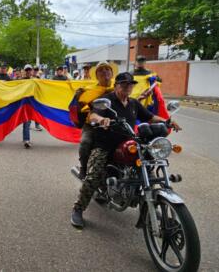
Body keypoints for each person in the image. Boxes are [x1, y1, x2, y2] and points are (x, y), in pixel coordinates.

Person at [70, 72, 182, 228]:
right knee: (93, 175)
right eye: (123, 84)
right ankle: (78, 209)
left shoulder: (133, 103)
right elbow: (94, 114)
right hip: (105, 144)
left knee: (147, 172)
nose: (127, 87)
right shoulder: (107, 100)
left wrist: (167, 121)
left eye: (130, 84)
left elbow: (150, 117)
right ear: (116, 86)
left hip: (128, 142)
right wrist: (102, 119)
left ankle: (149, 205)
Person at [72, 62, 114, 179]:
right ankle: (84, 168)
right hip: (92, 125)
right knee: (85, 142)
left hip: (115, 124)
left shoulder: (119, 88)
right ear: (96, 75)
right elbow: (79, 108)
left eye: (107, 69)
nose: (104, 72)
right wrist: (77, 98)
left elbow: (132, 98)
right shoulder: (88, 90)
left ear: (112, 73)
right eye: (101, 70)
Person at [19, 64, 36, 148]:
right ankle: (26, 139)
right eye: (27, 70)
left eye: (30, 70)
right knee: (26, 121)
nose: (28, 72)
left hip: (31, 105)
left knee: (27, 122)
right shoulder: (20, 81)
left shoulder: (35, 81)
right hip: (22, 104)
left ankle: (25, 138)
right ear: (24, 71)